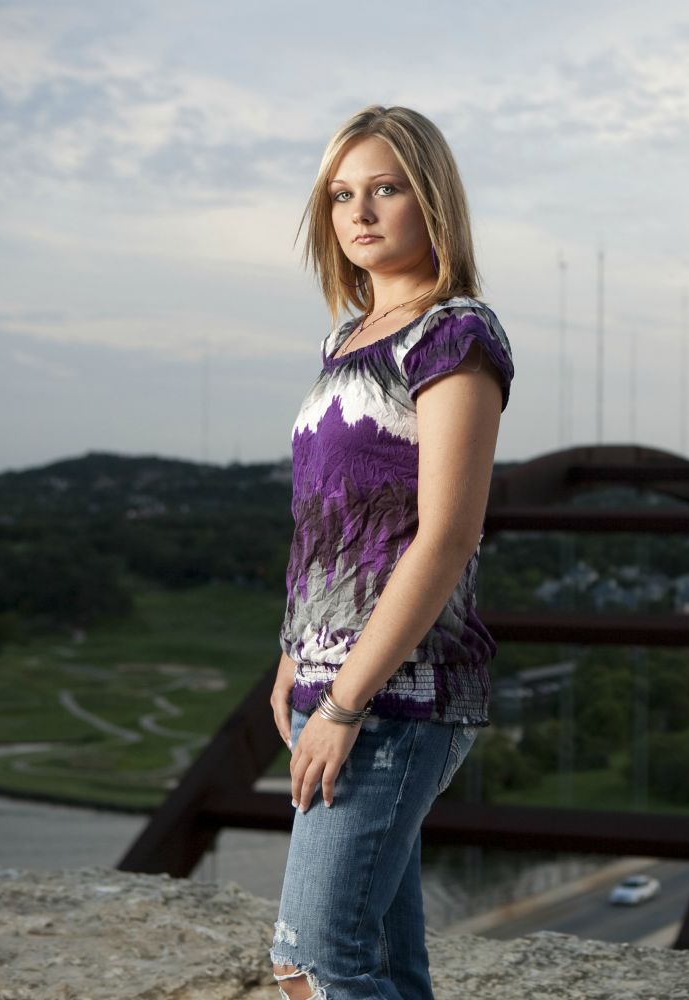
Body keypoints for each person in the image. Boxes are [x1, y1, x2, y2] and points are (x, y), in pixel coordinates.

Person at [267, 104, 515, 1000]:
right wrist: (293, 658)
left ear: (431, 200)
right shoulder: (344, 342)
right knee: (385, 969)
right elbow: (330, 523)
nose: (360, 213)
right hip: (332, 685)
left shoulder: (455, 337)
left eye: (386, 189)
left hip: (395, 700)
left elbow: (445, 539)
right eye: (341, 195)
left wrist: (340, 704)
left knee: (313, 962)